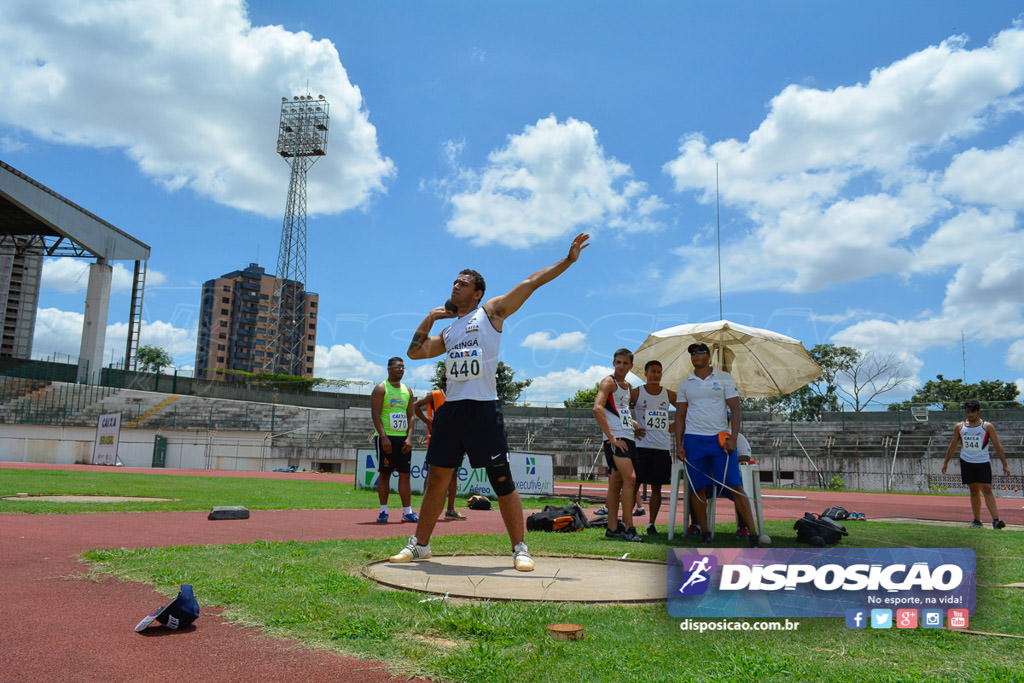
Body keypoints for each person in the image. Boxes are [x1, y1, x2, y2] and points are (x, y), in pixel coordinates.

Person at [389, 233, 591, 571]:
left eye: (462, 283)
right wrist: (431, 317)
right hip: (451, 411)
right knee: (437, 479)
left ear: (477, 292)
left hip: (483, 408)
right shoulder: (450, 332)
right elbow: (414, 352)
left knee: (501, 479)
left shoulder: (491, 312)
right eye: (454, 282)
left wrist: (568, 261)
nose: (455, 286)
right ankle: (420, 545)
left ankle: (520, 548)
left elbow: (531, 282)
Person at [674, 342, 758, 545]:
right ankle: (705, 532)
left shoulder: (724, 378)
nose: (695, 355)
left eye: (700, 351)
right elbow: (680, 416)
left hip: (720, 439)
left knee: (735, 485)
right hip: (693, 439)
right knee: (697, 488)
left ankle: (754, 534)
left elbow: (735, 409)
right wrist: (679, 444)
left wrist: (734, 438)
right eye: (692, 352)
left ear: (709, 357)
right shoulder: (685, 383)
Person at [593, 348, 644, 543]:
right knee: (631, 479)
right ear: (613, 363)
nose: (621, 366)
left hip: (628, 436)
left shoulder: (627, 386)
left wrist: (633, 424)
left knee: (616, 484)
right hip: (616, 440)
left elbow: (620, 410)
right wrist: (612, 438)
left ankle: (613, 528)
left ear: (631, 365)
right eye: (618, 362)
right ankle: (629, 527)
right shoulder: (608, 382)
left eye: (625, 363)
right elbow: (598, 408)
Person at [941, 398, 1011, 529]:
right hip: (967, 461)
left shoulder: (987, 426)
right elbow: (953, 445)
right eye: (968, 412)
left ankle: (996, 520)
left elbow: (997, 445)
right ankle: (977, 520)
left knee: (987, 489)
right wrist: (946, 462)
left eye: (973, 412)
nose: (970, 414)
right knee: (973, 490)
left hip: (983, 461)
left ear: (978, 411)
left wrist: (1005, 464)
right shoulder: (960, 427)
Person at [631, 359, 676, 536]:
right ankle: (627, 522)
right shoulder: (637, 392)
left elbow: (685, 410)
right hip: (642, 446)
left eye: (659, 372)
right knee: (634, 486)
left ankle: (651, 524)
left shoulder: (668, 394)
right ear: (646, 374)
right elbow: (620, 409)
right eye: (653, 372)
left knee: (657, 488)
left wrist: (673, 426)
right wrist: (632, 428)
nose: (656, 375)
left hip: (662, 448)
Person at [370, 357, 417, 523]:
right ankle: (383, 511)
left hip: (403, 439)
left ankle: (408, 512)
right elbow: (375, 414)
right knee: (385, 474)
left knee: (405, 475)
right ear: (389, 368)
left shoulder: (408, 391)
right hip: (387, 438)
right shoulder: (381, 388)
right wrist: (383, 437)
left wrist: (410, 437)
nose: (401, 370)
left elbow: (411, 416)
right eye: (398, 367)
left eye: (403, 367)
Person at [413, 376, 465, 520]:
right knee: (431, 475)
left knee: (453, 476)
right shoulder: (435, 395)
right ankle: (426, 510)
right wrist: (427, 423)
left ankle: (450, 510)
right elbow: (415, 405)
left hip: (456, 442)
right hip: (437, 441)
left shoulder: (460, 396)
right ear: (446, 380)